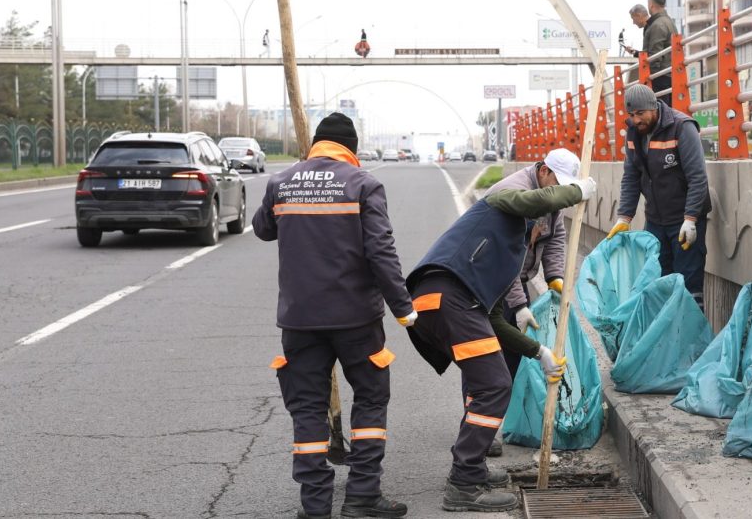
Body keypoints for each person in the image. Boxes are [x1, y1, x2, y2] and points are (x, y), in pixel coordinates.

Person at [253, 112, 415, 519]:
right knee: (371, 398)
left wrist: (292, 189)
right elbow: (381, 252)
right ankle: (362, 496)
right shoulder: (364, 184)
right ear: (352, 150)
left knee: (307, 407)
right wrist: (404, 310)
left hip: (299, 321)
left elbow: (262, 229)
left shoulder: (281, 181)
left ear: (314, 147)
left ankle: (314, 507)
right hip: (356, 319)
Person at [403, 171, 596, 512]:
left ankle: (472, 468)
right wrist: (578, 190)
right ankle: (463, 483)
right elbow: (536, 199)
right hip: (449, 297)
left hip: (442, 301)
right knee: (494, 385)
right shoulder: (502, 203)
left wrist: (539, 352)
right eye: (540, 229)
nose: (540, 236)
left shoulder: (509, 255)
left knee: (485, 382)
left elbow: (492, 319)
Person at [481, 148, 581, 458]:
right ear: (544, 171)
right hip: (490, 279)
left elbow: (555, 240)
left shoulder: (551, 200)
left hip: (518, 277)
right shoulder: (516, 193)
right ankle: (478, 431)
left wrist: (555, 278)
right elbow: (506, 259)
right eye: (558, 182)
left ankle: (496, 420)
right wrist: (520, 303)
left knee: (512, 355)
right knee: (487, 357)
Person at [606, 84, 712, 311]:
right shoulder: (634, 133)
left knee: (687, 285)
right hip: (655, 220)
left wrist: (691, 219)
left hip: (683, 219)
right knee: (658, 283)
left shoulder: (682, 127)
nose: (636, 120)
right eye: (631, 115)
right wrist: (624, 216)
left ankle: (692, 343)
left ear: (653, 108)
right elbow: (631, 176)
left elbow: (698, 177)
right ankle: (665, 340)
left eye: (640, 114)